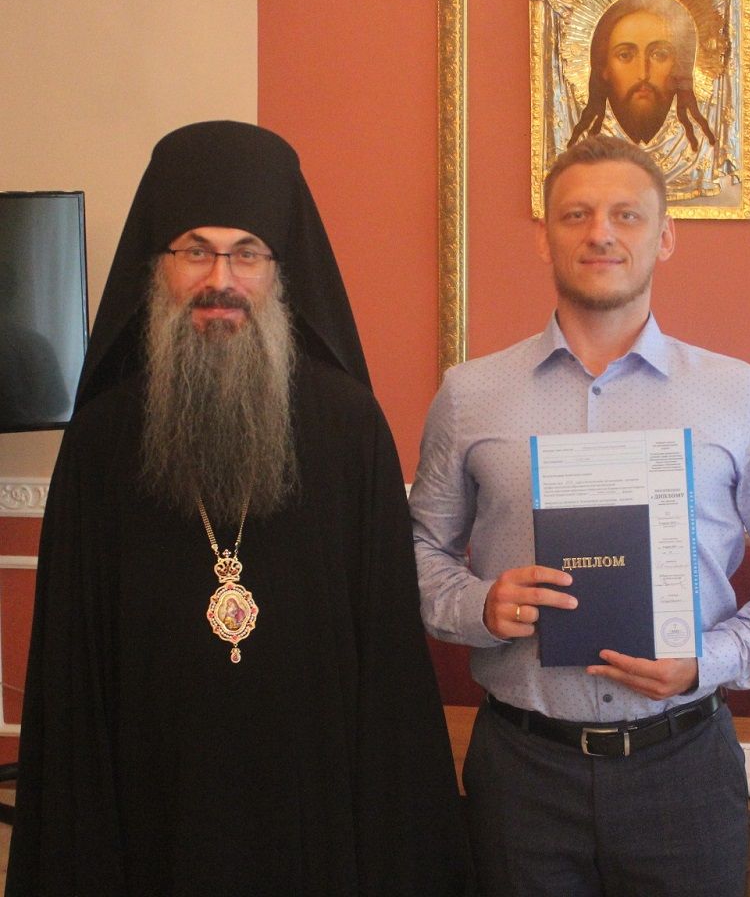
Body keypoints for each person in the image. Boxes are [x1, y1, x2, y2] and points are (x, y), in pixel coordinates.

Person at [7, 121, 471, 896]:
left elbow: (388, 668)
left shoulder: (348, 428)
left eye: (246, 254)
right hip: (149, 810)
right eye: (195, 251)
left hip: (313, 810)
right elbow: (72, 673)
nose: (219, 279)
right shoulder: (102, 439)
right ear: (158, 267)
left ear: (279, 272)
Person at [410, 134, 750, 897]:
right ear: (545, 236)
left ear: (664, 236)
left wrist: (714, 657)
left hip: (681, 764)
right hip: (521, 770)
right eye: (575, 214)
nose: (600, 233)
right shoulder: (469, 395)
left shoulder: (736, 396)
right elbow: (418, 548)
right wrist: (477, 605)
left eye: (625, 214)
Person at [570, 0, 716, 152]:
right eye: (625, 55)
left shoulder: (699, 149)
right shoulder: (587, 157)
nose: (643, 74)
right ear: (604, 67)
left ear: (678, 65)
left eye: (659, 55)